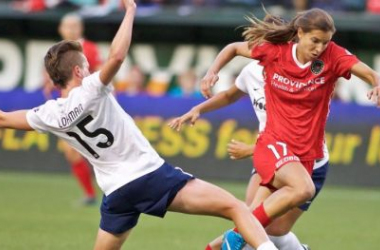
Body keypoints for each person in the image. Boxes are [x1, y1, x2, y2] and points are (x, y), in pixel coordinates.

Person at [0, 1, 279, 249]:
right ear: (77, 71)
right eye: (86, 65)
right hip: (150, 177)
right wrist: (131, 10)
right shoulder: (90, 89)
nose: (90, 69)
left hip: (117, 194)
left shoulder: (48, 114)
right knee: (236, 207)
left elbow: (3, 118)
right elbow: (117, 57)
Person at [175, 8, 380, 250]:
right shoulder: (269, 56)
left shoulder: (332, 57)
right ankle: (239, 237)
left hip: (307, 156)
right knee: (299, 192)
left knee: (264, 225)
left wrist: (377, 84)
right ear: (299, 33)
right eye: (315, 41)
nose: (319, 48)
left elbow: (368, 72)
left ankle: (221, 245)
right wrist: (211, 74)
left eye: (325, 42)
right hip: (273, 144)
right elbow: (233, 55)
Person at [169, 60, 328, 250]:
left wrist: (252, 149)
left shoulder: (296, 77)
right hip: (270, 154)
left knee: (272, 228)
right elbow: (229, 93)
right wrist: (198, 108)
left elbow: (299, 136)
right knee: (253, 221)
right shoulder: (252, 70)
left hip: (306, 160)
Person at [43, 12, 103, 205]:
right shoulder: (56, 51)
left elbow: (103, 74)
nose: (70, 29)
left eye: (73, 26)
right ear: (61, 29)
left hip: (89, 108)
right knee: (72, 152)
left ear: (80, 28)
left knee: (99, 152)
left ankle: (109, 189)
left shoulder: (90, 49)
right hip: (68, 109)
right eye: (66, 26)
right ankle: (90, 195)